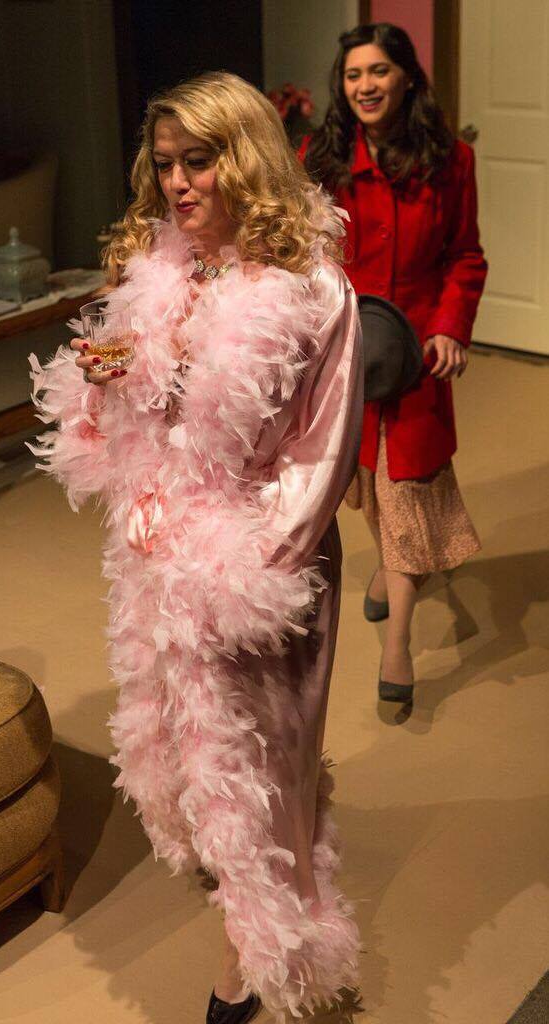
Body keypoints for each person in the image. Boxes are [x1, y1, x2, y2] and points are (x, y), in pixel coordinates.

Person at [30, 72, 363, 1024]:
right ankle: (243, 908)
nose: (177, 183)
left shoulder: (314, 287)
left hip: (260, 565)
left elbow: (322, 451)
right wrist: (102, 389)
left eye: (200, 161)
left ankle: (259, 962)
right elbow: (137, 423)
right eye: (166, 162)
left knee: (272, 763)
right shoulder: (161, 271)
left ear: (246, 158)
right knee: (196, 752)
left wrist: (246, 570)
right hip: (159, 555)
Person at [301, 23, 487, 703]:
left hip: (415, 360)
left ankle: (398, 648)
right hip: (345, 352)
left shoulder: (451, 159)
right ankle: (389, 568)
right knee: (362, 486)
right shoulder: (318, 158)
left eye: (379, 71)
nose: (366, 86)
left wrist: (450, 328)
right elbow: (299, 249)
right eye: (354, 75)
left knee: (405, 491)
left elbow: (465, 256)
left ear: (407, 77)